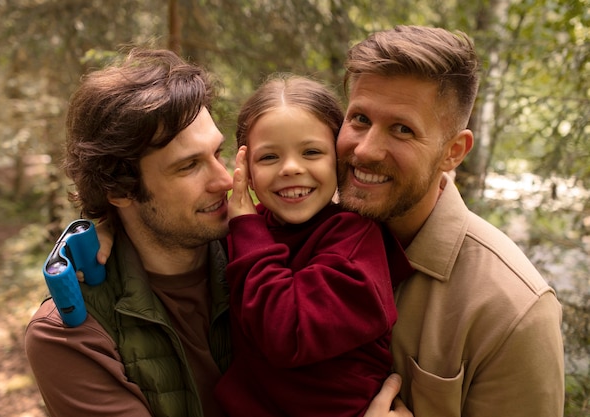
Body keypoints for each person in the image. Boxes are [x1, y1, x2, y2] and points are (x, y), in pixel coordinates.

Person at [338, 26, 565, 417]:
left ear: (453, 152)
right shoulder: (296, 235)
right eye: (359, 118)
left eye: (402, 129)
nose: (367, 149)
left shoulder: (512, 312)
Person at [25, 48, 234, 417]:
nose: (225, 179)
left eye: (218, 153)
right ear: (120, 190)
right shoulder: (69, 334)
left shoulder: (269, 253)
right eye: (189, 166)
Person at [213, 74, 412, 417]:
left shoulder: (355, 241)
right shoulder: (248, 230)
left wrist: (246, 227)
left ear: (338, 158)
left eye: (311, 152)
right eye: (269, 157)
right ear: (245, 168)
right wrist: (106, 231)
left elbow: (286, 333)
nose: (291, 168)